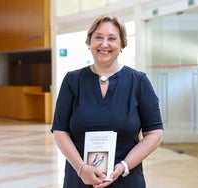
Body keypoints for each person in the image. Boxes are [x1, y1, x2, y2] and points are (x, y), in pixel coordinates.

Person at [51, 14, 164, 188]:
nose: (104, 44)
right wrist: (81, 169)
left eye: (112, 38)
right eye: (98, 37)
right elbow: (60, 131)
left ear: (122, 44)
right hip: (80, 180)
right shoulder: (72, 81)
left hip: (126, 180)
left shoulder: (139, 82)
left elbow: (155, 134)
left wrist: (123, 166)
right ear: (90, 42)